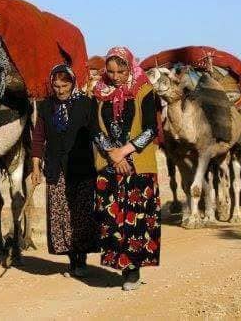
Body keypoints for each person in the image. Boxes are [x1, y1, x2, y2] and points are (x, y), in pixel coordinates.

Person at [91, 46, 161, 291]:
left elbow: (152, 128)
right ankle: (118, 263)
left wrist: (125, 151)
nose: (116, 76)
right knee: (112, 218)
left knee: (136, 219)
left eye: (121, 71)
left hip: (138, 162)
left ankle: (133, 271)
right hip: (110, 163)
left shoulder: (144, 90)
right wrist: (113, 154)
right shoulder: (98, 91)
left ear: (129, 67)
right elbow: (94, 128)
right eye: (110, 71)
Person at [31, 64, 99, 277]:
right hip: (55, 168)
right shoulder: (45, 106)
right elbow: (39, 138)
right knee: (62, 214)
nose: (60, 89)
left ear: (72, 83)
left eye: (64, 85)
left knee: (81, 212)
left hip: (81, 167)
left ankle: (81, 257)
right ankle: (72, 258)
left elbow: (96, 135)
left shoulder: (86, 104)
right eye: (56, 85)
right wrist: (35, 166)